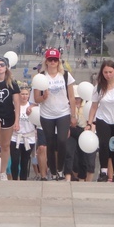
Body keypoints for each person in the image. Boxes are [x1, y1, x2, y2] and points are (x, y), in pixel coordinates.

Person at [33, 48, 76, 181]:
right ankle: (52, 170)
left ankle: (60, 168)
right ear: (46, 61)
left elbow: (72, 96)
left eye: (55, 60)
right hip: (47, 114)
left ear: (58, 61)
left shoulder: (65, 75)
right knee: (50, 144)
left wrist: (73, 115)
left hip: (63, 112)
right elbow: (36, 99)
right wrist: (43, 97)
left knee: (62, 141)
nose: (52, 62)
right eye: (50, 60)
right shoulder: (40, 76)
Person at [87, 59, 114, 182]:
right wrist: (89, 122)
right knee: (104, 144)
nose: (108, 75)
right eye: (105, 72)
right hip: (103, 119)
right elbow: (94, 106)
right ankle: (103, 172)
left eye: (110, 72)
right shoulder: (99, 88)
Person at [11, 86, 36, 180]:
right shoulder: (13, 106)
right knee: (15, 160)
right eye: (22, 94)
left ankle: (23, 180)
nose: (24, 96)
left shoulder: (32, 107)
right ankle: (14, 179)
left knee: (25, 161)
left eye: (26, 94)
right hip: (15, 137)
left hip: (28, 137)